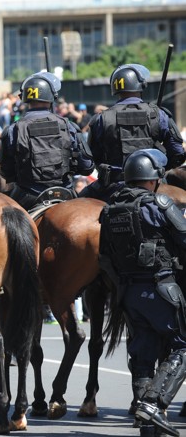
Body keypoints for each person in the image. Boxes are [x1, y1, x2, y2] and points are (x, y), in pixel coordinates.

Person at [99, 149, 186, 437]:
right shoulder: (160, 204)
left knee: (143, 355)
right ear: (156, 178)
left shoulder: (109, 210)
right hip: (162, 288)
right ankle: (153, 403)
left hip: (128, 293)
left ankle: (146, 424)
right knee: (183, 347)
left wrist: (123, 283)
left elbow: (104, 257)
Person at [80, 63, 185, 201]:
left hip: (112, 184)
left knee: (75, 201)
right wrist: (159, 169)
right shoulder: (158, 115)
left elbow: (92, 157)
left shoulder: (101, 119)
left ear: (115, 88)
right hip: (152, 182)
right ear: (140, 85)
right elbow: (177, 153)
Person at [0, 71, 94, 210]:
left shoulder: (13, 129)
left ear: (25, 98)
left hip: (28, 195)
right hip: (64, 192)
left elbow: (6, 172)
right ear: (51, 98)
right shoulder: (69, 126)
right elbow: (87, 166)